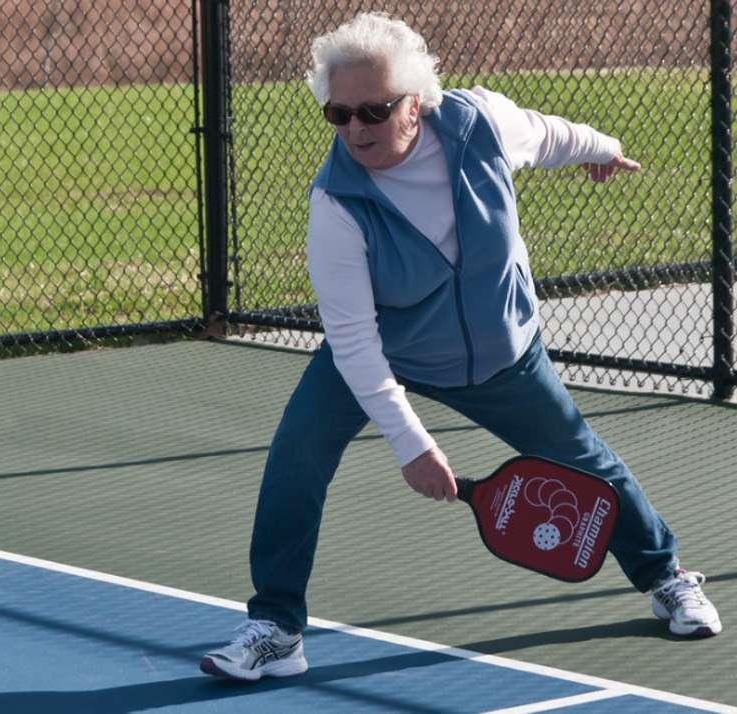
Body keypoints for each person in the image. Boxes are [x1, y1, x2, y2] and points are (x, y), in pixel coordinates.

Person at [199, 11, 722, 682]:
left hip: (501, 355)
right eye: (339, 114)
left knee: (582, 460)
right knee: (296, 457)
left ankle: (665, 576)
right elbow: (354, 341)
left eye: (374, 110)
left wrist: (601, 147)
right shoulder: (335, 204)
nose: (355, 128)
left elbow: (548, 133)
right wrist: (412, 445)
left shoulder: (479, 126)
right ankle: (277, 628)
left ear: (415, 102)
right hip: (386, 351)